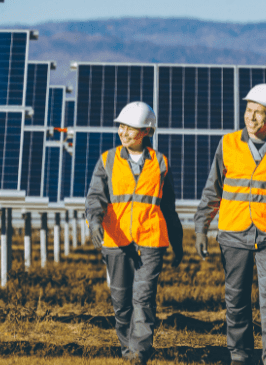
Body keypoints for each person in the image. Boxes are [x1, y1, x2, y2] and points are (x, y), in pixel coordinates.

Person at [193, 83, 266, 365]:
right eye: (249, 110)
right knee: (236, 299)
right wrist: (201, 226)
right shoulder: (228, 144)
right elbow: (213, 190)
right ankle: (240, 355)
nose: (252, 118)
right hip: (233, 234)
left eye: (259, 113)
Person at [85, 101, 184, 365]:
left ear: (146, 132)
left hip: (151, 241)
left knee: (143, 298)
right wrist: (94, 222)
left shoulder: (160, 163)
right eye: (121, 126)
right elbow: (95, 198)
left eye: (130, 128)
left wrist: (178, 241)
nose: (123, 132)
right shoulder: (107, 160)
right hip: (116, 241)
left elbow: (169, 206)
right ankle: (127, 348)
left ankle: (138, 353)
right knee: (121, 301)